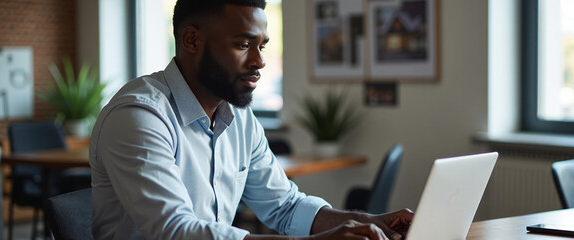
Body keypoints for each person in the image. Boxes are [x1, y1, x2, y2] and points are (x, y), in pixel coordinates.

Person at [89, 0, 413, 239]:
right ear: (191, 40)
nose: (259, 62)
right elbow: (175, 230)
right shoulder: (139, 116)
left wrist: (371, 222)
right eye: (243, 45)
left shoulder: (239, 118)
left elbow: (284, 206)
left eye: (261, 46)